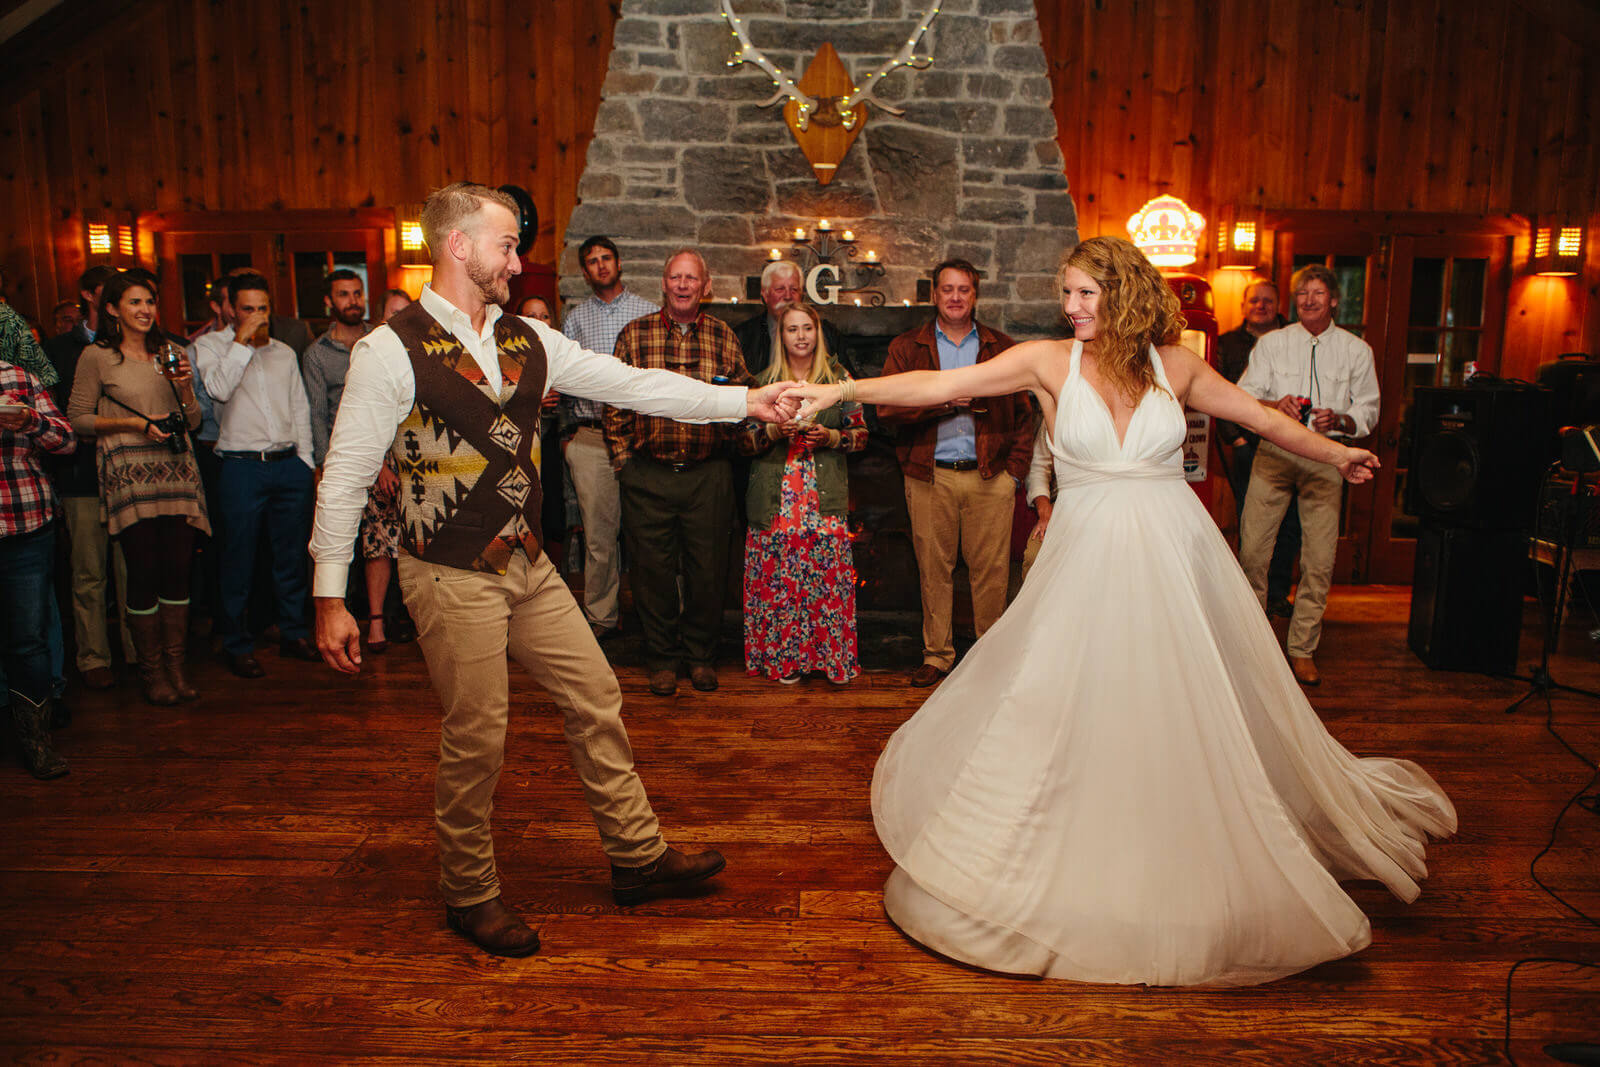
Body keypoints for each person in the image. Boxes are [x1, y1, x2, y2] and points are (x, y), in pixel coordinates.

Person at [784, 235, 1454, 987]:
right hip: (1086, 558)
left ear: (1124, 292)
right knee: (1059, 702)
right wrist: (842, 392)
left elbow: (1262, 419)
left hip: (1175, 557)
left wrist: (1337, 455)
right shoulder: (1048, 360)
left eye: (1083, 294)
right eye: (1065, 293)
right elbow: (942, 388)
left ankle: (1176, 857)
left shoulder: (1179, 366)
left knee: (1174, 706)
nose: (1069, 307)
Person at [309, 183, 797, 958]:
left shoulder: (526, 338)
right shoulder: (387, 350)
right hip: (446, 568)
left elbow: (635, 385)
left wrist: (746, 402)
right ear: (460, 247)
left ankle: (637, 856)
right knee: (478, 734)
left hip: (526, 560)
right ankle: (468, 892)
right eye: (506, 244)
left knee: (598, 693)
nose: (518, 257)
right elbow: (342, 477)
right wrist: (330, 596)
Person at [876, 258, 1033, 688]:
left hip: (990, 477)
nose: (956, 297)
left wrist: (1013, 475)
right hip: (929, 474)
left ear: (975, 295)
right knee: (933, 569)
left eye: (964, 289)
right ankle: (938, 655)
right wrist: (943, 403)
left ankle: (989, 657)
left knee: (992, 572)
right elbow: (887, 409)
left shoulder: (1002, 347)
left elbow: (1025, 416)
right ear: (934, 295)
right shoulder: (909, 347)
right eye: (948, 289)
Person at [605, 249, 753, 697]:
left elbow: (744, 397)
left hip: (708, 476)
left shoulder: (723, 336)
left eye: (692, 278)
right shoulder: (635, 334)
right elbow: (614, 401)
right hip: (647, 475)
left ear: (705, 287)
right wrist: (623, 462)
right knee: (651, 574)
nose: (683, 285)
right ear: (663, 284)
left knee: (708, 572)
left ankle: (701, 658)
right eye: (675, 277)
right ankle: (662, 659)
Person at [65, 273, 209, 705]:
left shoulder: (171, 352)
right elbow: (77, 419)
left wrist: (183, 386)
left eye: (150, 301)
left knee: (178, 571)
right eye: (134, 302)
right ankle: (152, 673)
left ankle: (176, 666)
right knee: (142, 572)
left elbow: (195, 421)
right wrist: (132, 424)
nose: (145, 310)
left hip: (177, 472)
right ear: (112, 309)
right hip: (129, 474)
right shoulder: (97, 357)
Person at [1237, 264, 1381, 687]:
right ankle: (1253, 647)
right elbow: (1243, 395)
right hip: (1274, 451)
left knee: (1318, 560)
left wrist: (1343, 418)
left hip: (1326, 457)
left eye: (1317, 293)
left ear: (1334, 300)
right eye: (1302, 294)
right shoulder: (1272, 344)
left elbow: (1369, 409)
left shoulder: (1357, 350)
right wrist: (1271, 403)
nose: (1309, 300)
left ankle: (1302, 649)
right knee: (1253, 551)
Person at [192, 272, 317, 678]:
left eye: (263, 309)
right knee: (237, 558)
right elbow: (219, 391)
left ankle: (295, 633)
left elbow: (299, 408)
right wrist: (242, 342)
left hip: (288, 466)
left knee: (291, 557)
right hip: (240, 468)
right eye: (248, 309)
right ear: (230, 309)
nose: (257, 316)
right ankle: (236, 643)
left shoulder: (283, 351)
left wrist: (307, 462)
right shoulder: (210, 347)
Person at [738, 301, 865, 685]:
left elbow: (862, 435)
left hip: (823, 496)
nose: (801, 336)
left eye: (807, 328)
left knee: (826, 580)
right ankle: (784, 660)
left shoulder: (839, 378)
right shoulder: (764, 382)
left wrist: (831, 436)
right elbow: (742, 442)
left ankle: (830, 661)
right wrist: (775, 432)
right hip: (775, 499)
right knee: (778, 581)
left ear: (818, 332)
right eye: (792, 329)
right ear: (782, 335)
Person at [561, 236, 658, 642]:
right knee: (599, 536)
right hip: (592, 438)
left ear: (619, 263)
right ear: (585, 272)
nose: (601, 266)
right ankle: (601, 617)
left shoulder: (648, 312)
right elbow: (562, 378)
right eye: (592, 262)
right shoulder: (576, 319)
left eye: (606, 258)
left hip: (641, 438)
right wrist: (569, 435)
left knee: (648, 532)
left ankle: (653, 617)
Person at [45, 266, 123, 690]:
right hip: (81, 473)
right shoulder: (59, 349)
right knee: (89, 573)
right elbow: (59, 414)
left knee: (134, 571)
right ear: (91, 297)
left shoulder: (132, 347)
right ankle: (93, 658)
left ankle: (137, 650)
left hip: (128, 473)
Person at [1, 351, 75, 779]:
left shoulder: (18, 378)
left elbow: (66, 441)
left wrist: (30, 422)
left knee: (28, 641)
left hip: (24, 524)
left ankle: (37, 744)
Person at [1217, 279, 1296, 615]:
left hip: (1290, 442)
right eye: (1254, 301)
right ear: (1244, 306)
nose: (1261, 306)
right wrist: (1234, 437)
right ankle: (1249, 596)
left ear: (1278, 304)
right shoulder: (1227, 343)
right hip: (1248, 444)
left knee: (1291, 522)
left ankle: (1277, 592)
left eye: (1268, 301)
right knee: (1252, 521)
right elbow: (1217, 392)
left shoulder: (1295, 341)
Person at [733, 259, 846, 379]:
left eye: (794, 289)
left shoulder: (828, 333)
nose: (787, 296)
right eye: (780, 289)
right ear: (765, 295)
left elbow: (850, 386)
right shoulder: (743, 336)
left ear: (801, 294)